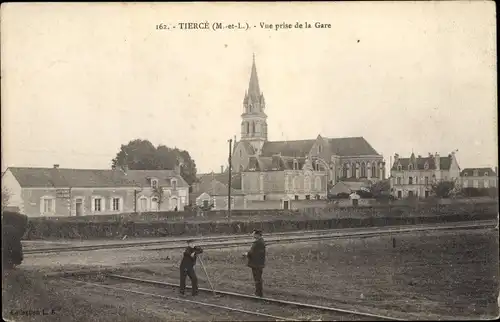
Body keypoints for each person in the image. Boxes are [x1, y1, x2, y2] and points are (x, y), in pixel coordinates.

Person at [245, 229, 266, 297]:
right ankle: (258, 293)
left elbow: (253, 253)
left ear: (257, 235)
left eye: (254, 234)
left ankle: (258, 294)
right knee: (257, 279)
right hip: (258, 263)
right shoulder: (260, 242)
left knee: (257, 279)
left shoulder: (258, 243)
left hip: (256, 264)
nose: (253, 235)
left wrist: (247, 254)